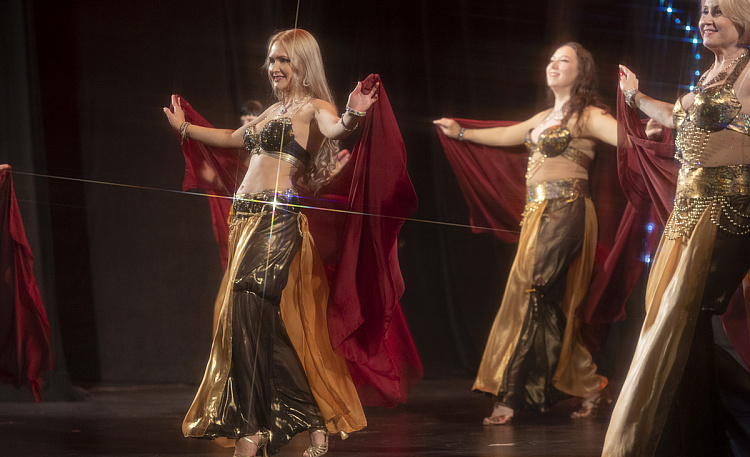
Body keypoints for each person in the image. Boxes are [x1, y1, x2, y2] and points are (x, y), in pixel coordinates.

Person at [164, 29, 378, 457]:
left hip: (277, 219)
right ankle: (308, 417)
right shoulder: (274, 110)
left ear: (303, 63)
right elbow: (231, 137)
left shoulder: (315, 107)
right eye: (271, 60)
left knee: (245, 305)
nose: (274, 67)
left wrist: (353, 113)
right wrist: (185, 128)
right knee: (256, 320)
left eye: (283, 60)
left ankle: (252, 428)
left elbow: (336, 129)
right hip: (244, 220)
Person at [434, 42, 617, 425]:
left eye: (563, 60)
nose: (553, 65)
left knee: (536, 292)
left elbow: (627, 139)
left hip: (567, 210)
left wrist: (647, 127)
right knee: (540, 299)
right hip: (537, 214)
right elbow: (507, 134)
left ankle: (511, 396)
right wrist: (462, 132)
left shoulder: (589, 116)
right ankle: (586, 382)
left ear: (582, 71)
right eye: (551, 59)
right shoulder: (545, 116)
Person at [607, 0, 750, 454]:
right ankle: (700, 433)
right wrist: (635, 98)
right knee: (671, 315)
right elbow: (676, 115)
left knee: (685, 313)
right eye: (703, 10)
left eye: (718, 11)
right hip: (689, 210)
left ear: (743, 18)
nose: (706, 18)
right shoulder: (709, 75)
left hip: (730, 206)